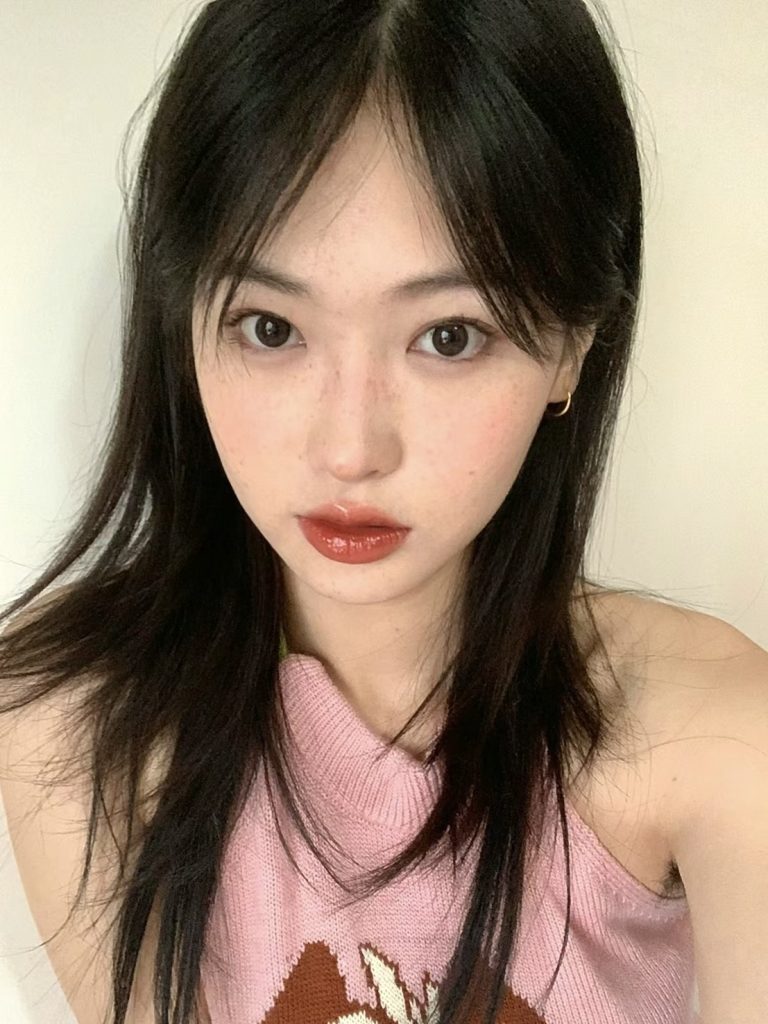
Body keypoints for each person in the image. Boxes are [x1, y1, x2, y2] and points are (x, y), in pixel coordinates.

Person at [1, 1, 766, 1023]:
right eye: (271, 327)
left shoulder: (712, 732)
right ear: (183, 322)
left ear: (573, 348)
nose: (351, 448)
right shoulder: (72, 719)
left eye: (449, 335)